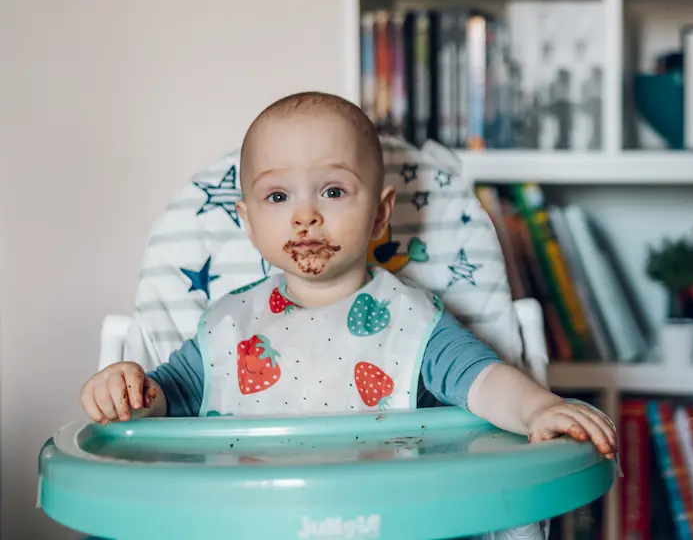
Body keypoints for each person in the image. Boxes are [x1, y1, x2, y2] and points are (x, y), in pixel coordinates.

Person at [78, 91, 617, 459]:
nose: (305, 214)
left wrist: (540, 407)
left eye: (333, 191)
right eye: (277, 195)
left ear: (380, 214)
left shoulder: (410, 320)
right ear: (246, 221)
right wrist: (130, 391)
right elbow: (170, 395)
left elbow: (482, 379)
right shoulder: (226, 325)